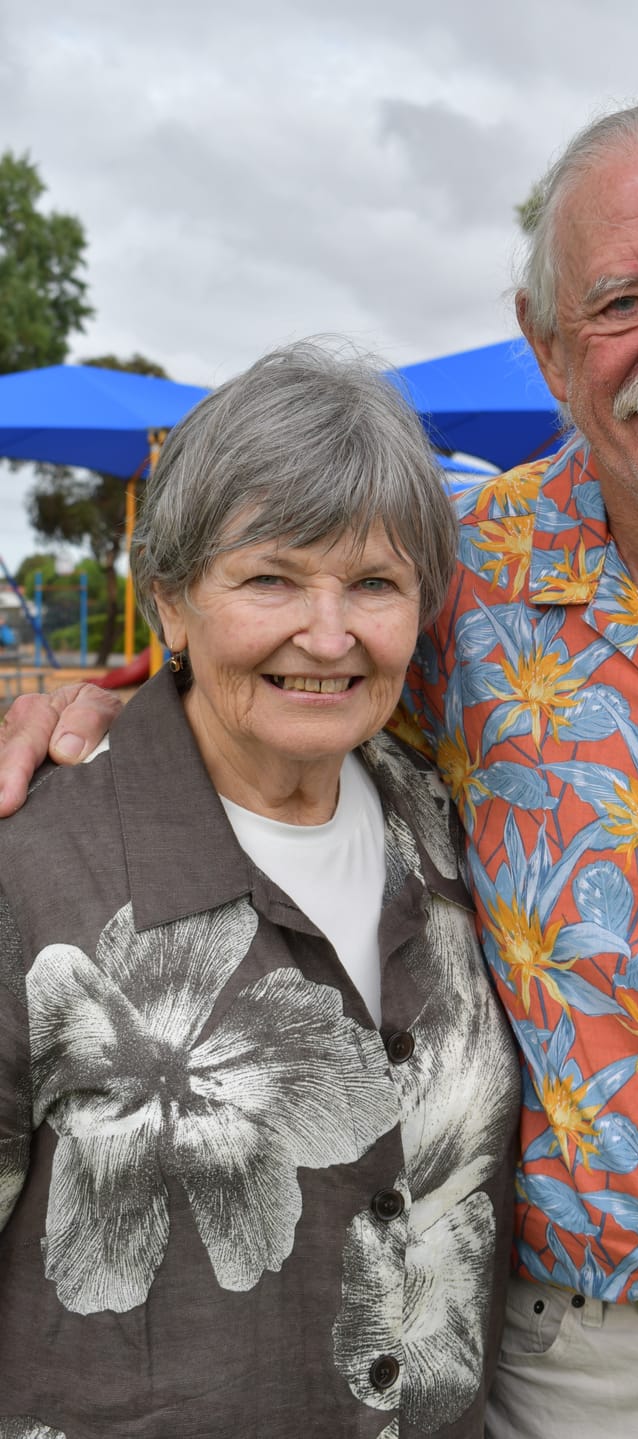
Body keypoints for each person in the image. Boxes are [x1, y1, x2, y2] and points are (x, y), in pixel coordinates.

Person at [3, 97, 638, 1438]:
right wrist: (111, 695)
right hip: (574, 1367)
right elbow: (289, 658)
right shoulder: (460, 574)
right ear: (547, 346)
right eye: (623, 301)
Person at [0, 342, 520, 1438]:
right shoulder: (35, 868)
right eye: (271, 577)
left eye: (373, 582)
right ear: (173, 603)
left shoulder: (447, 833)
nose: (326, 635)